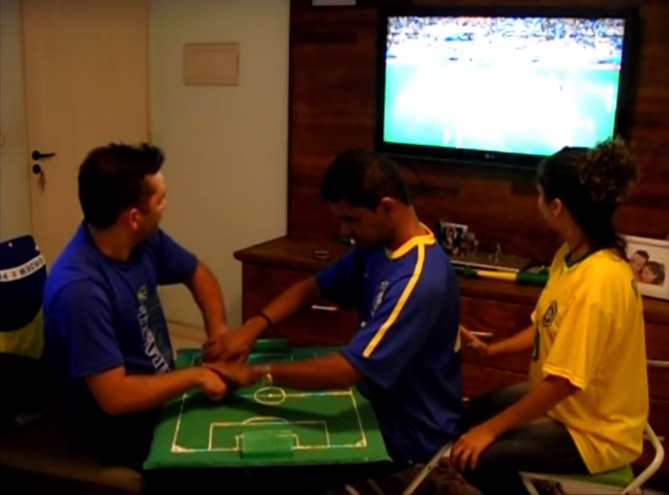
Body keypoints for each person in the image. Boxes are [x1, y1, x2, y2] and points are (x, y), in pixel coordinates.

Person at [203, 148, 462, 488]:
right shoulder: (379, 244)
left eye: (351, 219)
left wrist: (257, 373)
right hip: (372, 397)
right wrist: (254, 327)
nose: (344, 229)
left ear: (387, 207)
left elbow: (347, 370)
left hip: (408, 428)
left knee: (261, 465)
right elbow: (312, 287)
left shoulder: (418, 278)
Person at [448, 138, 649, 494]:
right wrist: (492, 351)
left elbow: (562, 384)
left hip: (596, 432)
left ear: (556, 207)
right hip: (569, 407)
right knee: (466, 417)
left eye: (538, 195)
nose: (536, 202)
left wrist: (490, 431)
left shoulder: (598, 282)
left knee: (478, 454)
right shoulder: (571, 254)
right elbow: (545, 325)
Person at [43, 143, 229, 470]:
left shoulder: (141, 239)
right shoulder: (80, 289)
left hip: (154, 398)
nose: (166, 205)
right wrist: (197, 376)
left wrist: (219, 333)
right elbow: (114, 397)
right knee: (224, 469)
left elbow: (197, 273)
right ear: (133, 217)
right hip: (112, 431)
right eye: (160, 200)